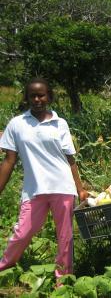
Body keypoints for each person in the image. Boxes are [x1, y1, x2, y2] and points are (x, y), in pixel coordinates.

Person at [0, 78, 88, 281]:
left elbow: (70, 159)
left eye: (41, 95)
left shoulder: (60, 123)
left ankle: (63, 279)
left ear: (49, 97)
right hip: (34, 189)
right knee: (22, 232)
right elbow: (9, 161)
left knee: (65, 237)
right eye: (33, 95)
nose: (37, 99)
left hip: (62, 186)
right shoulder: (16, 124)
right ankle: (5, 265)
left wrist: (80, 188)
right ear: (27, 97)